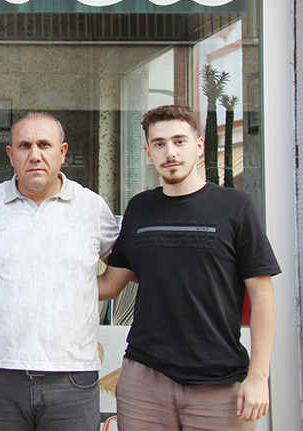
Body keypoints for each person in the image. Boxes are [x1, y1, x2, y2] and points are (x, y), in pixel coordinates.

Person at [98, 104, 280, 430]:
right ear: (148, 152)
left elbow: (262, 294)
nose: (170, 152)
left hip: (220, 382)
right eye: (159, 143)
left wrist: (258, 376)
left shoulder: (235, 207)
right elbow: (110, 285)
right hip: (145, 379)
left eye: (179, 141)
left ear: (198, 146)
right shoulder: (140, 208)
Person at [0, 111, 119, 431]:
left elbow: (123, 265)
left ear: (62, 152)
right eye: (24, 146)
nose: (35, 155)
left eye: (45, 145)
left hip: (72, 375)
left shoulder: (92, 208)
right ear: (10, 155)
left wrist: (81, 288)